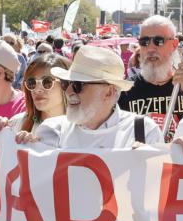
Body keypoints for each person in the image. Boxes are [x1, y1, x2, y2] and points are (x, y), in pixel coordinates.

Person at [30, 45, 162, 149]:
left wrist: (147, 163)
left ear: (109, 92)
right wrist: (20, 145)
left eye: (78, 85)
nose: (69, 91)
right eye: (65, 84)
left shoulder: (144, 131)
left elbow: (158, 181)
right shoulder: (53, 131)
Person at [118, 15, 183, 129]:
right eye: (144, 42)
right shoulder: (124, 91)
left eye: (158, 41)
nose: (151, 49)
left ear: (174, 44)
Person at [1, 53, 68, 132]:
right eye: (31, 82)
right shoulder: (17, 123)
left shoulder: (79, 132)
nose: (37, 89)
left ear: (66, 85)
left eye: (47, 82)